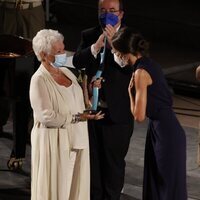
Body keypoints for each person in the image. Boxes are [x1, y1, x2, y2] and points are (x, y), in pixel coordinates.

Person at [111, 27, 187, 200]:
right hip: (162, 129)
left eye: (115, 52)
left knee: (166, 185)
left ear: (124, 53)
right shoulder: (149, 63)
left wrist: (130, 94)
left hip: (165, 133)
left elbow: (138, 116)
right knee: (159, 182)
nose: (115, 56)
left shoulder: (139, 73)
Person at [30, 29, 104, 200]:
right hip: (55, 143)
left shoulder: (66, 72)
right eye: (59, 51)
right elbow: (46, 116)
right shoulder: (39, 79)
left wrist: (92, 93)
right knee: (58, 190)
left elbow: (79, 102)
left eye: (63, 49)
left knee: (74, 189)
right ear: (43, 54)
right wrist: (76, 118)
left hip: (78, 140)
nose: (64, 54)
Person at [72, 0, 134, 199]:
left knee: (113, 167)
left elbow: (131, 67)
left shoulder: (129, 36)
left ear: (121, 14)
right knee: (92, 166)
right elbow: (77, 61)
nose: (107, 14)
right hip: (92, 111)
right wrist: (96, 46)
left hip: (117, 113)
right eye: (103, 11)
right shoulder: (89, 34)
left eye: (112, 11)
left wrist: (114, 45)